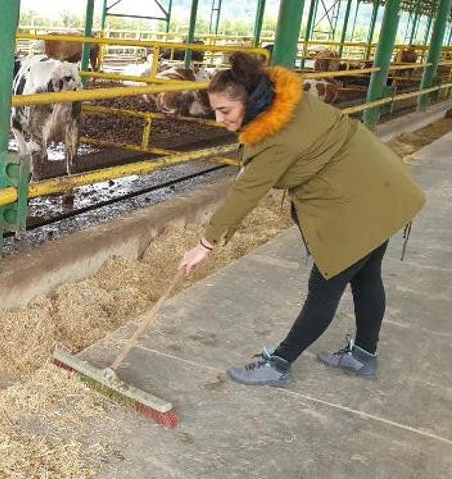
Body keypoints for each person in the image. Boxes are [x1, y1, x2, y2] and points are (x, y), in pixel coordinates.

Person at [178, 52, 425, 386]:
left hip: (355, 202)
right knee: (366, 277)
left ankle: (279, 364)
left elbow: (245, 193)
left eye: (225, 111)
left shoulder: (275, 137)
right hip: (380, 187)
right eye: (216, 111)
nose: (220, 119)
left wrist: (205, 245)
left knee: (323, 287)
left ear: (250, 101)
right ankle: (364, 354)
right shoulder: (288, 100)